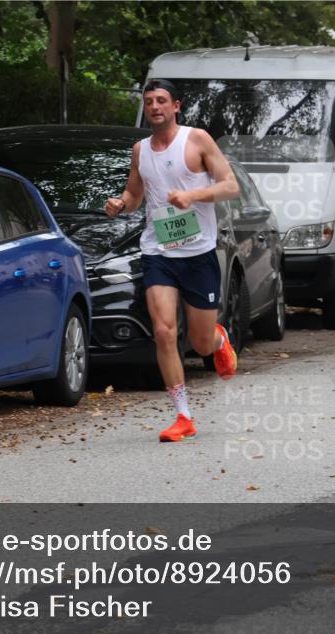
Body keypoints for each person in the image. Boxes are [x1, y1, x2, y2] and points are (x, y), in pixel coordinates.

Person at [105, 79, 241, 442]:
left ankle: (218, 339)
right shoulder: (140, 150)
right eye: (149, 101)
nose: (154, 107)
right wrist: (120, 205)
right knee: (164, 332)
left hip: (197, 254)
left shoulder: (196, 140)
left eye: (161, 100)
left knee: (199, 344)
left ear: (176, 105)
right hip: (158, 252)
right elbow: (135, 194)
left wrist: (193, 195)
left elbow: (230, 185)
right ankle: (183, 415)